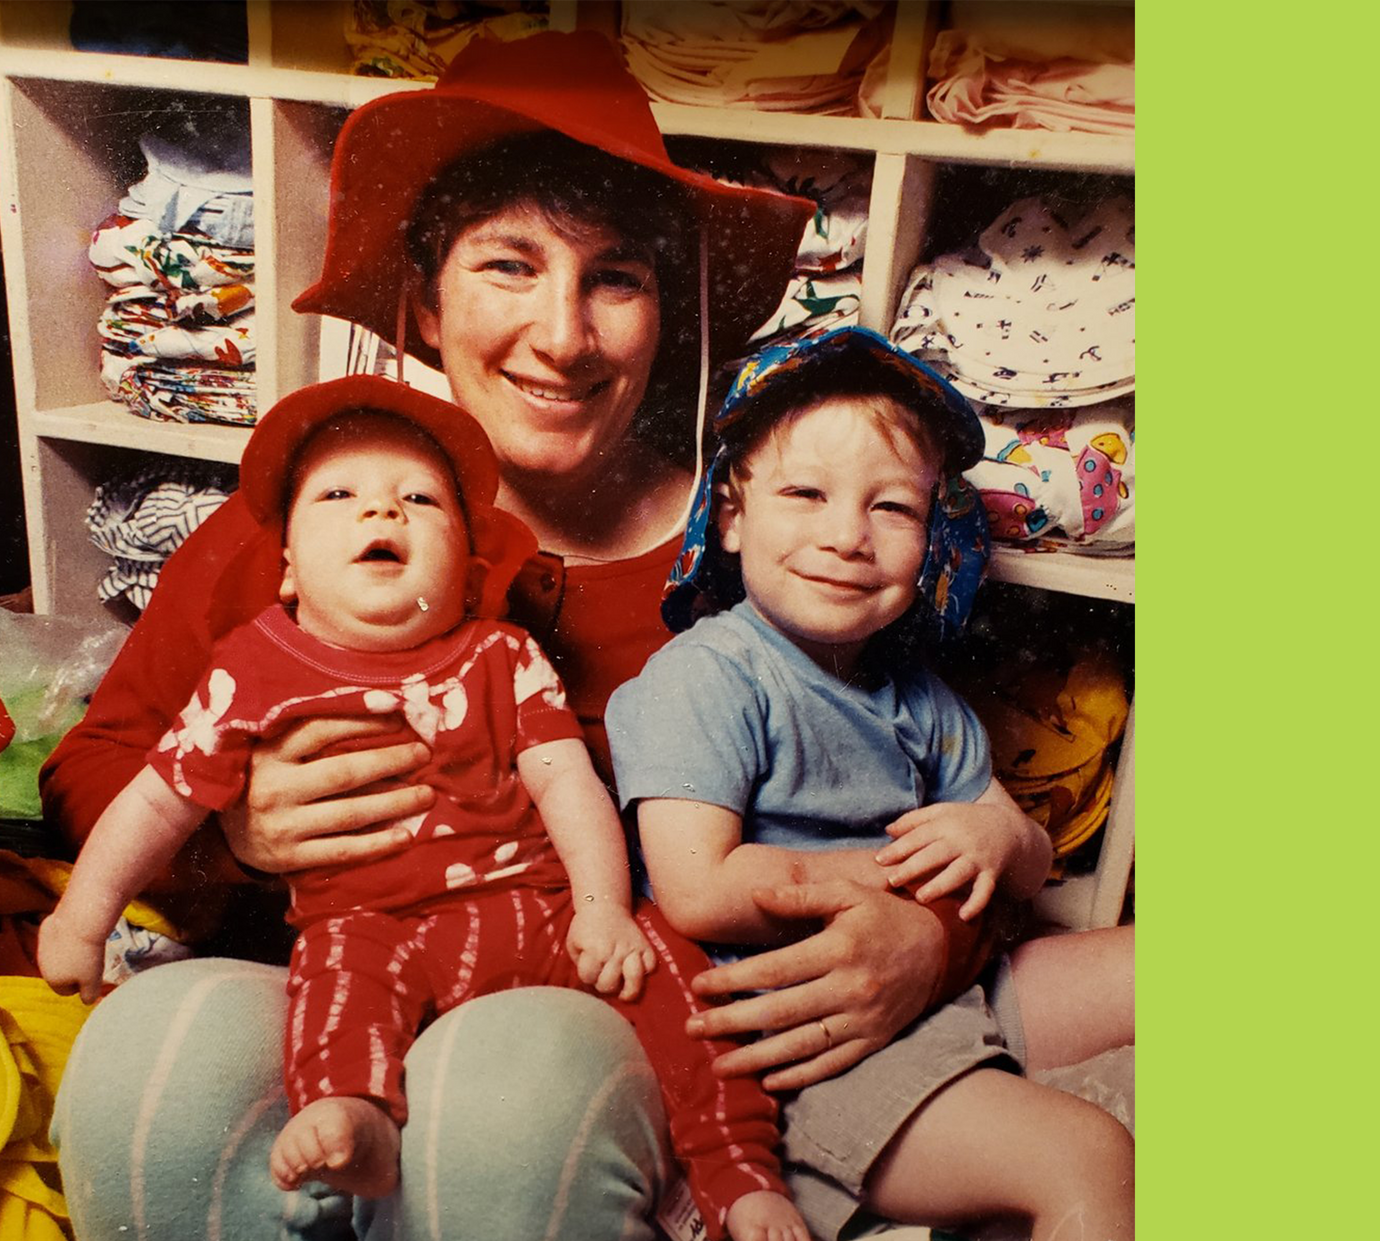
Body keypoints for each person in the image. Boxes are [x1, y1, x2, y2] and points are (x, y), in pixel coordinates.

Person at [41, 32, 1042, 1241]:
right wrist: (235, 838)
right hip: (321, 983)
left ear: (668, 315)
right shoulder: (318, 522)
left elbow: (911, 780)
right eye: (508, 265)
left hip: (592, 1007)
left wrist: (937, 933)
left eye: (614, 278)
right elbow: (92, 767)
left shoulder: (768, 553)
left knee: (507, 1106)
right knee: (147, 1076)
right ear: (424, 298)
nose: (562, 335)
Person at [37, 377, 804, 1241]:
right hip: (371, 925)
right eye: (338, 497)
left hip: (537, 909)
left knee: (674, 978)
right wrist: (84, 914)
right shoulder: (250, 669)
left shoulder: (500, 655)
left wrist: (599, 907)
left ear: (468, 566)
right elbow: (153, 798)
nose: (382, 513)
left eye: (419, 500)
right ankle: (352, 1110)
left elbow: (567, 784)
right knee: (333, 994)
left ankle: (736, 1170)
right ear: (286, 567)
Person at [607, 327, 1134, 1241]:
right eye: (805, 493)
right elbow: (696, 888)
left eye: (891, 507)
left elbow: (1028, 855)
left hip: (936, 991)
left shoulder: (911, 692)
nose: (846, 535)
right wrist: (906, 880)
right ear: (731, 517)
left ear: (931, 530)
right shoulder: (709, 676)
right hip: (810, 1045)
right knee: (1088, 1157)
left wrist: (996, 838)